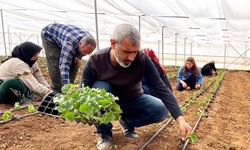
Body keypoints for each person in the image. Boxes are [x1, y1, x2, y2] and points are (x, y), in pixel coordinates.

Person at [81, 23, 192, 150]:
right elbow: (83, 90)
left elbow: (161, 87)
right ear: (113, 43)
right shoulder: (96, 60)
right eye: (127, 52)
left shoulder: (142, 59)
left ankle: (127, 122)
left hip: (132, 99)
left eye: (135, 52)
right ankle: (105, 133)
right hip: (107, 102)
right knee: (98, 89)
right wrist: (85, 113)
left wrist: (180, 119)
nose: (131, 58)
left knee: (161, 110)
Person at [41, 23, 96, 92]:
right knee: (56, 63)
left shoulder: (89, 41)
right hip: (50, 36)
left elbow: (82, 52)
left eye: (88, 53)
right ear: (80, 44)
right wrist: (66, 86)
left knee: (75, 63)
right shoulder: (69, 44)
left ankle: (69, 87)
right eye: (84, 52)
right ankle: (57, 90)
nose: (85, 54)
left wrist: (79, 57)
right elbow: (64, 65)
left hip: (66, 37)